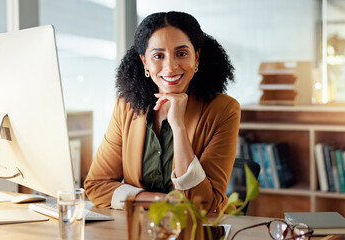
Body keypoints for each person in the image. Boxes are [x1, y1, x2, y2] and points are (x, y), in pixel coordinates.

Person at [84, 11, 240, 214]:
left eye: (181, 53)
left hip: (199, 231)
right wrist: (167, 202)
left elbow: (204, 205)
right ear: (145, 62)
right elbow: (97, 186)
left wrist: (179, 127)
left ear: (197, 57)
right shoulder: (126, 107)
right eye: (158, 56)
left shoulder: (223, 110)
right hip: (140, 229)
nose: (171, 66)